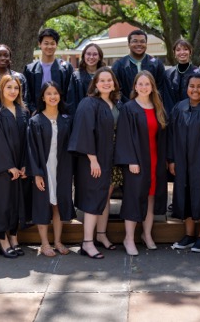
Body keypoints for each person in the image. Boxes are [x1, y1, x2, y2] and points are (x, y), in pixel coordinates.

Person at [69, 67, 122, 259]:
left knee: (105, 197)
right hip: (94, 160)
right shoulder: (89, 103)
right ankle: (87, 243)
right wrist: (93, 160)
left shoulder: (116, 104)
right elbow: (84, 131)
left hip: (111, 159)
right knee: (93, 198)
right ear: (96, 84)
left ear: (114, 83)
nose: (106, 83)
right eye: (102, 80)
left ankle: (101, 235)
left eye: (110, 80)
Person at [115, 71, 168, 256]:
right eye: (141, 84)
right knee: (133, 198)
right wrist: (130, 160)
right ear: (135, 86)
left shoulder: (158, 107)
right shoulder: (129, 108)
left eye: (147, 84)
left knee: (151, 198)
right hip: (137, 161)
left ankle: (146, 234)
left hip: (154, 160)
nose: (144, 87)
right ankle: (128, 238)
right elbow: (124, 136)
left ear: (152, 86)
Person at [168, 73, 200, 253]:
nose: (195, 89)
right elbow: (171, 136)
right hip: (182, 161)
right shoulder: (179, 107)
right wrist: (172, 159)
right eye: (192, 86)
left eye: (199, 86)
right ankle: (189, 235)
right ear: (186, 88)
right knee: (184, 195)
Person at [0, 75, 30, 259]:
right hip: (3, 168)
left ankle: (14, 237)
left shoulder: (23, 110)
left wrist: (25, 164)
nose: (13, 91)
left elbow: (28, 140)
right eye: (9, 87)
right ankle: (2, 240)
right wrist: (9, 166)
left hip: (21, 165)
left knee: (17, 203)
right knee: (2, 204)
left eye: (16, 88)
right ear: (1, 89)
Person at [27, 81, 75, 257]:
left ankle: (57, 241)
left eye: (55, 93)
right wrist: (37, 173)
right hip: (43, 169)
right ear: (43, 97)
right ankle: (44, 243)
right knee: (42, 205)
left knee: (58, 206)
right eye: (49, 93)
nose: (53, 96)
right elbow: (31, 149)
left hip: (61, 169)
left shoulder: (66, 120)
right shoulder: (35, 121)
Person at [112, 29, 171, 110]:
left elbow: (162, 89)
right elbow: (117, 91)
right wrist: (128, 106)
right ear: (129, 44)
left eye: (142, 41)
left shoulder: (156, 64)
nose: (139, 44)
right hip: (127, 110)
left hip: (152, 109)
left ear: (146, 44)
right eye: (135, 41)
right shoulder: (119, 65)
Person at [24, 28, 74, 114]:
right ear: (40, 44)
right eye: (46, 43)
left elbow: (70, 94)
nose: (49, 47)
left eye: (52, 43)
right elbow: (27, 95)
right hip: (37, 114)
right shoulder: (30, 69)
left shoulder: (65, 68)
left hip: (60, 114)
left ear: (57, 44)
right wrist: (33, 111)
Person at [67, 43, 105, 115]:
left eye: (95, 54)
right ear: (84, 56)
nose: (91, 57)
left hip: (102, 116)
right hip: (82, 117)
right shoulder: (76, 77)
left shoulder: (105, 75)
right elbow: (71, 103)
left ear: (100, 57)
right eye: (88, 54)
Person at [165, 39, 197, 112]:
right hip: (173, 115)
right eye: (178, 50)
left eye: (185, 49)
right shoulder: (168, 74)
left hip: (193, 114)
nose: (182, 52)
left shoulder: (198, 73)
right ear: (174, 53)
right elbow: (167, 98)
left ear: (190, 52)